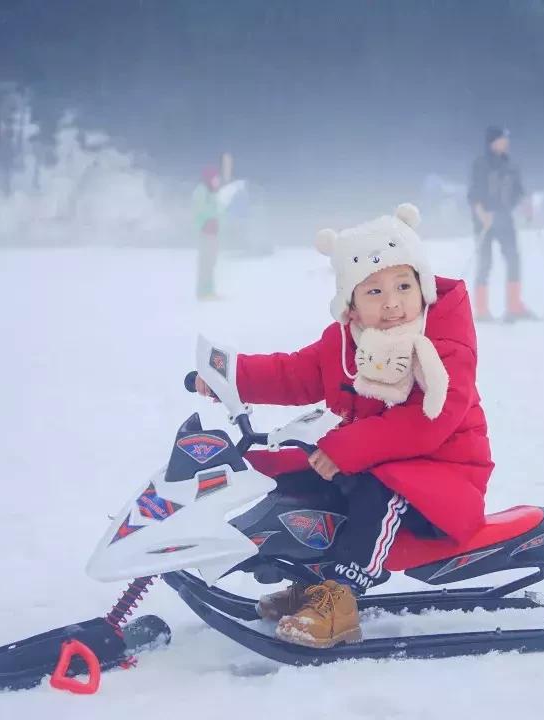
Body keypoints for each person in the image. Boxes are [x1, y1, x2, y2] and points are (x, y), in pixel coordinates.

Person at [195, 203, 493, 648]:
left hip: (444, 476)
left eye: (403, 285)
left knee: (380, 491)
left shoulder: (443, 345)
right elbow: (294, 373)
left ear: (423, 287)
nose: (392, 302)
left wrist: (346, 447)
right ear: (350, 306)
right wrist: (229, 378)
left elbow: (427, 424)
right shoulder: (345, 343)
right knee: (311, 478)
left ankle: (342, 596)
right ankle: (316, 582)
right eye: (373, 292)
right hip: (378, 459)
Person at [467, 125, 535, 322]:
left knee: (514, 259)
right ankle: (481, 310)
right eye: (503, 139)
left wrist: (526, 205)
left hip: (505, 219)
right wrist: (482, 214)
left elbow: (518, 191)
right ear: (492, 142)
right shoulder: (480, 164)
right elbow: (474, 194)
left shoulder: (511, 165)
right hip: (484, 221)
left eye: (507, 139)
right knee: (485, 263)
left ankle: (514, 306)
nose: (506, 143)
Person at [192, 164, 222, 300]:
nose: (218, 180)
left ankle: (209, 291)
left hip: (213, 233)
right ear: (209, 178)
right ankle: (202, 292)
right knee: (205, 262)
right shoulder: (201, 191)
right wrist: (209, 220)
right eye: (216, 178)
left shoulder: (213, 193)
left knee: (211, 262)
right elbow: (200, 210)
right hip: (204, 231)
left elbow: (217, 211)